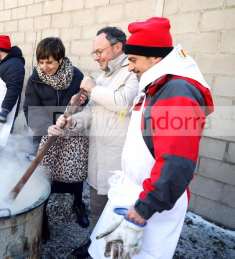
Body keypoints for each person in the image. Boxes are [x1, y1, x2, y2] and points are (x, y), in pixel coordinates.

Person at [82, 17, 214, 258]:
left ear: (156, 59)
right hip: (134, 193)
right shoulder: (158, 84)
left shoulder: (177, 93)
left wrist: (145, 207)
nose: (130, 67)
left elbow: (178, 161)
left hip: (148, 205)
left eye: (133, 60)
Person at [54, 27, 139, 258]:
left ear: (117, 47)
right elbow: (91, 113)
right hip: (97, 155)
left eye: (99, 51)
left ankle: (111, 252)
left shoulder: (132, 72)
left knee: (118, 213)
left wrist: (94, 88)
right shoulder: (104, 76)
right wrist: (73, 121)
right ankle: (94, 246)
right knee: (97, 209)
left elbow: (124, 103)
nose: (96, 57)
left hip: (117, 159)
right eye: (94, 53)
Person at [24, 37, 90, 243]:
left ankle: (78, 203)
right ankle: (42, 220)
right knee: (43, 177)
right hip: (44, 133)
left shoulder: (77, 76)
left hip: (70, 134)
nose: (45, 67)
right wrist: (46, 127)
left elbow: (84, 108)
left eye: (50, 62)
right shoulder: (35, 80)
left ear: (60, 59)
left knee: (75, 174)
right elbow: (30, 110)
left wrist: (82, 103)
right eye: (41, 62)